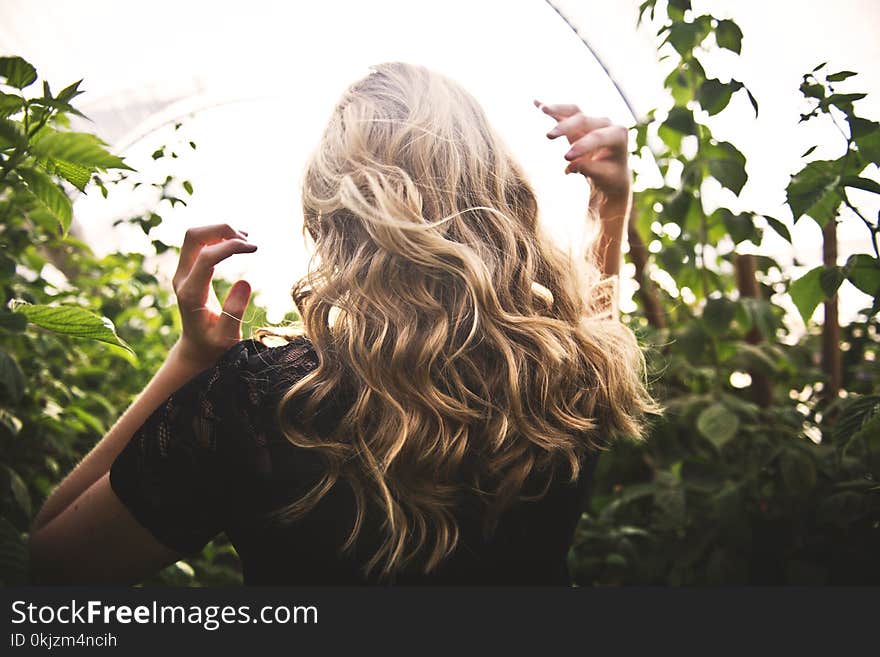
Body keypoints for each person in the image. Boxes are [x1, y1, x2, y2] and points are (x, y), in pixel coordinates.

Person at [28, 62, 656, 585]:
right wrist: (611, 202)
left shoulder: (262, 404)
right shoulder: (569, 375)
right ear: (498, 189)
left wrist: (191, 359)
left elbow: (55, 561)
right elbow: (591, 325)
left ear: (334, 213)